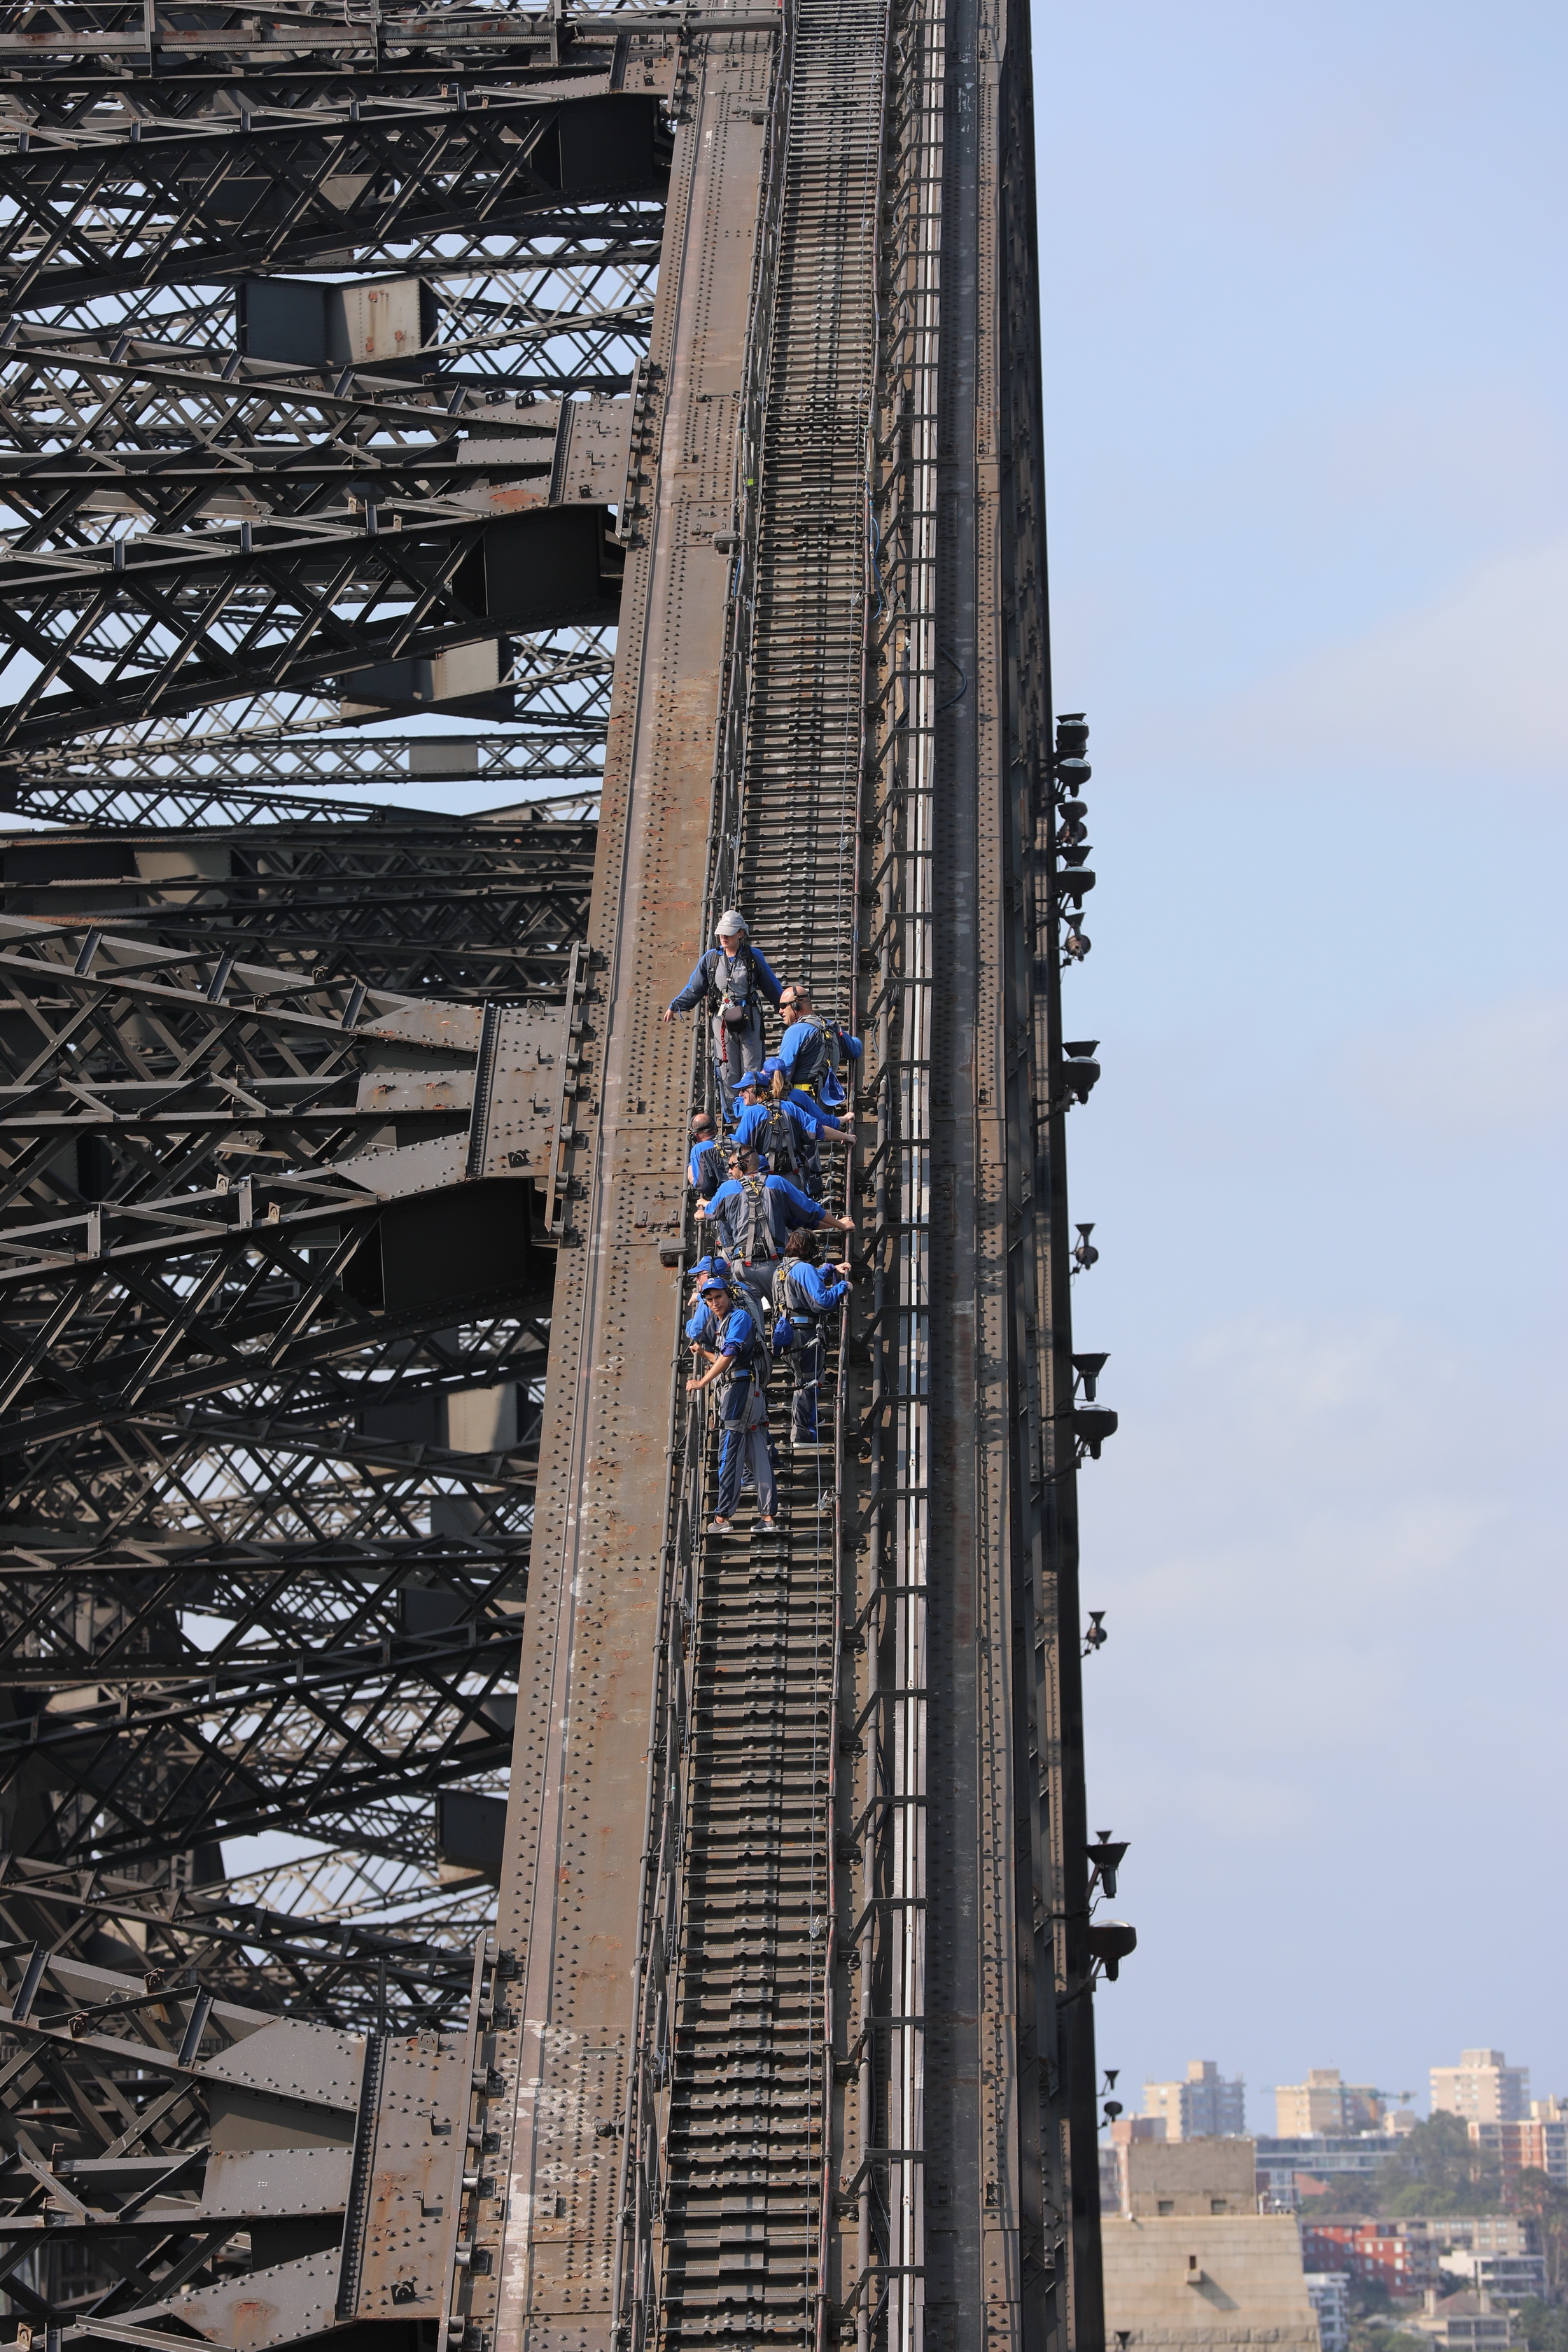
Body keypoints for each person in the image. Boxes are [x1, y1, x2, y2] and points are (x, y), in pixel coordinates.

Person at [662, 909, 783, 1114]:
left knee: (752, 1067)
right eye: (721, 933)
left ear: (741, 934)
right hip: (722, 1021)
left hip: (749, 1018)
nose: (724, 937)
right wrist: (676, 1005)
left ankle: (754, 1112)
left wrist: (784, 1006)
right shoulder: (711, 959)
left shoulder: (753, 957)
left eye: (729, 932)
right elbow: (695, 987)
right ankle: (734, 1116)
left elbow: (771, 986)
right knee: (727, 1070)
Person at [685, 1275, 778, 1534]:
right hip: (748, 1386)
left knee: (728, 1450)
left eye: (719, 1297)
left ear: (729, 1296)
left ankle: (722, 1517)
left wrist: (702, 1381)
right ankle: (768, 1517)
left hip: (739, 1391)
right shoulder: (727, 1320)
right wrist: (704, 1354)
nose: (715, 1303)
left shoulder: (737, 1317)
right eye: (710, 1299)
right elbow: (729, 1357)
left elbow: (730, 1355)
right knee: (758, 1451)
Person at [696, 1145, 853, 1270]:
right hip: (774, 1262)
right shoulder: (777, 1184)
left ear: (742, 1165)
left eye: (731, 1166)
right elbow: (811, 1213)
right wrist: (840, 1225)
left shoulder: (727, 1188)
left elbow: (710, 1212)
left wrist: (702, 1209)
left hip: (741, 1266)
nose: (729, 1171)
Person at [771, 1228, 853, 1447]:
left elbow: (804, 1283)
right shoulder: (804, 1269)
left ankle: (809, 1422)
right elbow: (823, 1301)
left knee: (805, 1380)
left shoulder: (781, 1269)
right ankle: (802, 1434)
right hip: (804, 1335)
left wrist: (829, 1270)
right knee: (809, 1383)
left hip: (788, 1334)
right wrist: (842, 1287)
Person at [729, 1060, 851, 1199]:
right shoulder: (791, 1107)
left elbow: (738, 1147)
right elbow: (819, 1130)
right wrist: (846, 1136)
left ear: (755, 1090)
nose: (740, 1094)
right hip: (793, 1178)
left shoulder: (751, 1113)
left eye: (743, 1090)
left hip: (763, 1181)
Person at [775, 983, 862, 1112]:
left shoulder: (795, 1031)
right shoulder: (832, 1027)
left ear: (796, 1004)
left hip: (800, 1107)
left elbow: (783, 1072)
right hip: (825, 1107)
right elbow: (855, 1049)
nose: (780, 1011)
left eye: (783, 1006)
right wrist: (854, 1039)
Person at [687, 1112, 725, 1202]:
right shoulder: (734, 1139)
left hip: (723, 1198)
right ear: (715, 1128)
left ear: (695, 1136)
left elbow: (703, 1185)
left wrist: (690, 1168)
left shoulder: (699, 1149)